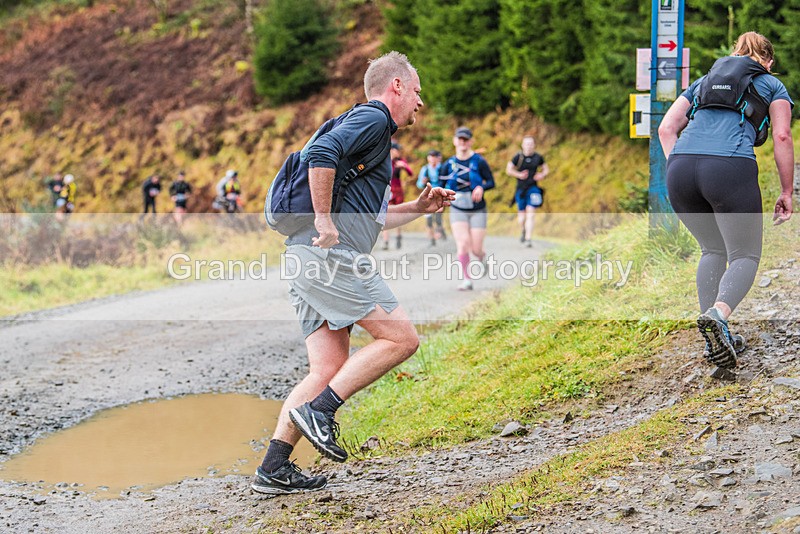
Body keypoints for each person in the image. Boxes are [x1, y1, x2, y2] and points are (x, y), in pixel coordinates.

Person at [251, 51, 453, 497]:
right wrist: (324, 218)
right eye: (417, 91)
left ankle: (274, 467)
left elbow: (370, 217)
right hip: (330, 255)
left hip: (304, 257)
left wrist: (418, 208)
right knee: (402, 339)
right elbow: (320, 153)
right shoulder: (375, 119)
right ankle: (320, 413)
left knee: (326, 367)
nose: (420, 102)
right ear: (396, 86)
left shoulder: (365, 132)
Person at [658, 31, 794, 369]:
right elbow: (781, 134)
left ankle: (715, 337)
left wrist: (680, 164)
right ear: (769, 61)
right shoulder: (772, 86)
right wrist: (787, 191)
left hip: (680, 170)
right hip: (729, 167)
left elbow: (666, 128)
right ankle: (718, 315)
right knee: (745, 254)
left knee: (713, 249)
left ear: (735, 53)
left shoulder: (704, 82)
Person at [439, 126, 495, 291]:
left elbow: (491, 181)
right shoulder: (448, 164)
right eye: (460, 139)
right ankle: (467, 279)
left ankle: (482, 258)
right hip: (457, 208)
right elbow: (439, 186)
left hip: (477, 209)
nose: (463, 142)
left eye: (466, 139)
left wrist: (481, 188)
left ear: (471, 142)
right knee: (463, 244)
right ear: (455, 141)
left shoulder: (479, 161)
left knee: (476, 248)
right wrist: (439, 202)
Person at [506, 136, 548, 248]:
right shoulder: (518, 157)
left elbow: (546, 169)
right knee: (522, 217)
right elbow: (508, 170)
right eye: (527, 144)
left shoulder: (538, 157)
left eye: (531, 144)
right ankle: (523, 230)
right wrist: (519, 175)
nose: (529, 146)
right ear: (523, 145)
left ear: (534, 145)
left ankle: (529, 238)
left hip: (533, 188)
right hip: (521, 189)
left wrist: (541, 175)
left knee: (531, 213)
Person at [381, 142, 413, 250]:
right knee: (385, 215)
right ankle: (386, 241)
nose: (399, 152)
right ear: (391, 150)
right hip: (387, 190)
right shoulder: (385, 160)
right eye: (397, 150)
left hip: (398, 190)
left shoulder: (401, 161)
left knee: (398, 214)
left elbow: (411, 173)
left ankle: (398, 236)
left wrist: (404, 166)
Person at [417, 149, 446, 246]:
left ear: (438, 158)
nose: (432, 159)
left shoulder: (442, 169)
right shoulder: (425, 169)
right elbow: (419, 184)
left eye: (434, 157)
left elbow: (447, 183)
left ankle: (440, 233)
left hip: (439, 196)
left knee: (438, 218)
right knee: (429, 220)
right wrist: (422, 182)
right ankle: (432, 239)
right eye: (430, 157)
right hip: (428, 196)